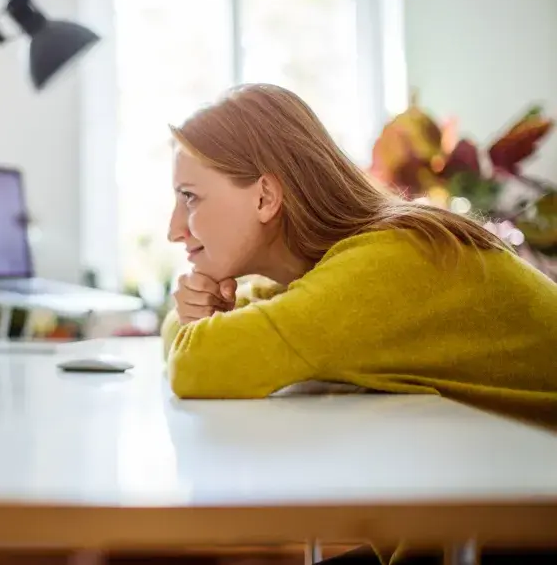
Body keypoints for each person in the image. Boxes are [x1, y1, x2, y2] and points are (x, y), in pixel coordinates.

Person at [161, 83, 557, 432]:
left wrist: (198, 326)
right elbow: (184, 343)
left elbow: (198, 366)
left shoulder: (384, 264)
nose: (174, 229)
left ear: (265, 197)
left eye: (190, 197)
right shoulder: (327, 271)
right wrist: (198, 315)